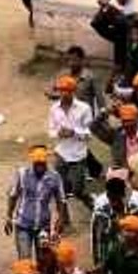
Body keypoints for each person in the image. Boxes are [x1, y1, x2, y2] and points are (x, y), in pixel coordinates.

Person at [6, 146, 68, 260]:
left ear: (46, 162)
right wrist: (8, 216)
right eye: (37, 164)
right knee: (25, 260)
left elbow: (61, 200)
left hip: (43, 227)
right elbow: (13, 195)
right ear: (32, 162)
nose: (39, 166)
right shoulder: (22, 174)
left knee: (43, 260)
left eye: (42, 164)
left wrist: (61, 219)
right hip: (23, 225)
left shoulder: (54, 177)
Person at [48, 75, 94, 210]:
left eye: (67, 90)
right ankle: (64, 217)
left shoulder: (84, 108)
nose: (63, 93)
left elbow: (89, 134)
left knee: (78, 189)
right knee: (60, 189)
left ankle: (89, 200)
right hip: (61, 154)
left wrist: (74, 132)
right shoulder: (54, 109)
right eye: (61, 90)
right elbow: (51, 130)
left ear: (73, 91)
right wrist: (58, 133)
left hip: (78, 155)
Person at [91, 175, 138, 274]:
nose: (114, 203)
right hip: (110, 267)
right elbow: (96, 242)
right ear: (107, 196)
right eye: (112, 199)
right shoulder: (101, 214)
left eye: (117, 199)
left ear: (123, 195)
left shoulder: (133, 211)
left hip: (132, 265)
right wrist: (98, 266)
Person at [90, 0, 137, 69]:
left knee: (120, 40)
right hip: (115, 13)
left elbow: (122, 2)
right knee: (95, 23)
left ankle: (120, 64)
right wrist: (104, 1)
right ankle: (118, 41)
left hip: (125, 14)